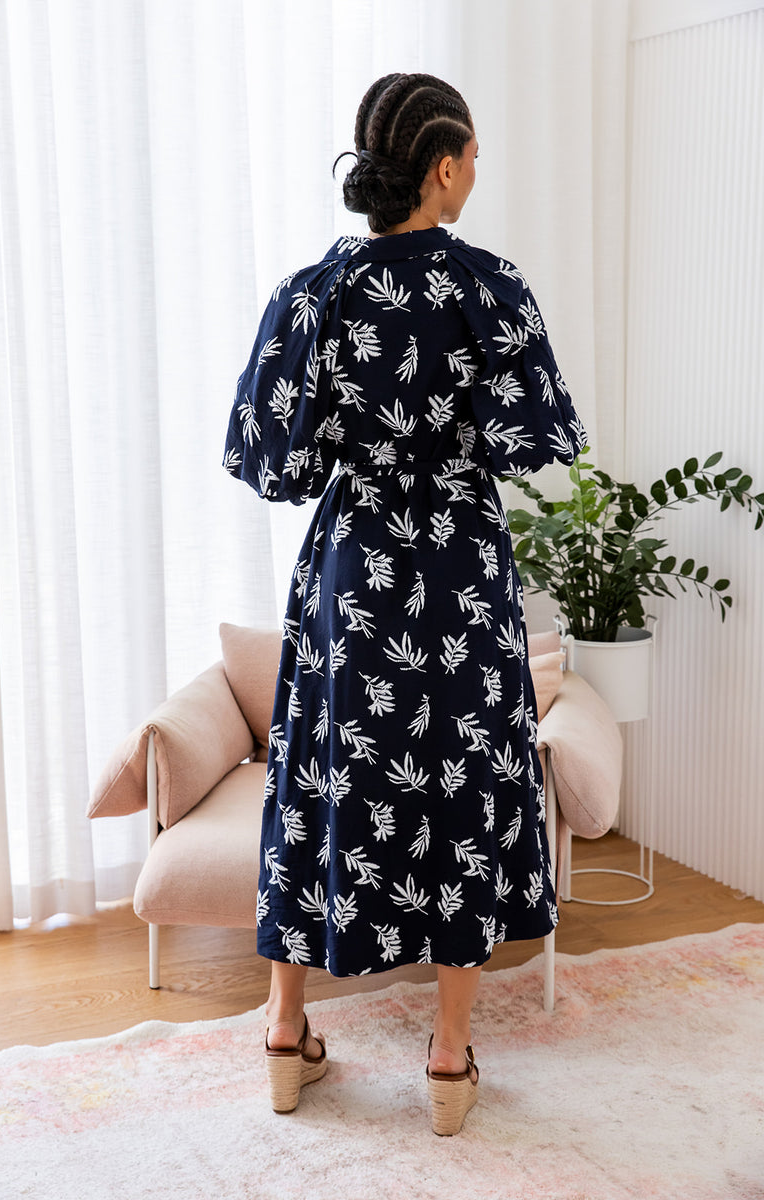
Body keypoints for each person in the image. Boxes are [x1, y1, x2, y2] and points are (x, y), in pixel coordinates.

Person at [223, 72, 586, 1136]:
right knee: (462, 784)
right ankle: (447, 1053)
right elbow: (533, 438)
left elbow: (271, 457)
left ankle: (285, 1031)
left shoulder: (311, 293)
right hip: (459, 565)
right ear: (441, 166)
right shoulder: (489, 285)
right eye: (471, 159)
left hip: (355, 565)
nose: (475, 176)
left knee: (320, 776)